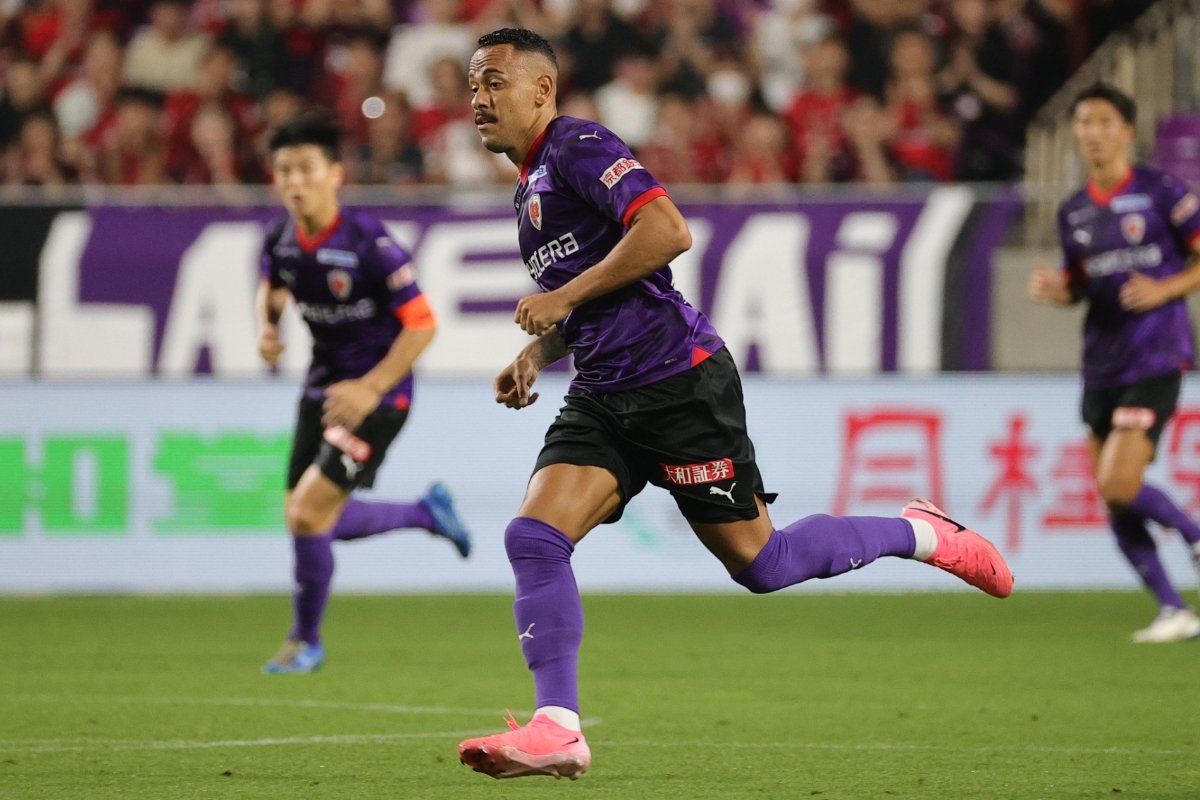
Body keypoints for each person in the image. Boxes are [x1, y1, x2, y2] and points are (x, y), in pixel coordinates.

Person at [456, 28, 1013, 781]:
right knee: (534, 537)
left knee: (763, 563)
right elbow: (588, 301)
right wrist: (536, 353)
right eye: (473, 86)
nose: (479, 99)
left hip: (678, 384)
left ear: (542, 89)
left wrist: (563, 296)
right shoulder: (528, 188)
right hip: (603, 393)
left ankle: (919, 533)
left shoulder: (578, 146)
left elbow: (667, 231)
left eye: (493, 82)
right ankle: (559, 727)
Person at [256, 111, 472, 674]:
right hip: (322, 390)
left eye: (306, 169)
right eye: (284, 170)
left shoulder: (370, 244)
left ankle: (306, 643)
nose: (294, 181)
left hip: (381, 397)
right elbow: (273, 285)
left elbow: (422, 324)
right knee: (304, 517)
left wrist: (372, 388)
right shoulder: (279, 237)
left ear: (335, 174)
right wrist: (268, 328)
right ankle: (425, 513)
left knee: (309, 514)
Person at [1029, 83, 1200, 644]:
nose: (1092, 133)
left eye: (1103, 121)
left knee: (1118, 483)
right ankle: (1174, 609)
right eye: (1083, 122)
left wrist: (1164, 289)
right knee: (1112, 496)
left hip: (1156, 356)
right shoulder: (1074, 210)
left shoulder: (1162, 192)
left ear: (1127, 130)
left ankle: (1193, 534)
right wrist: (1057, 292)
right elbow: (1080, 285)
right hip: (1100, 365)